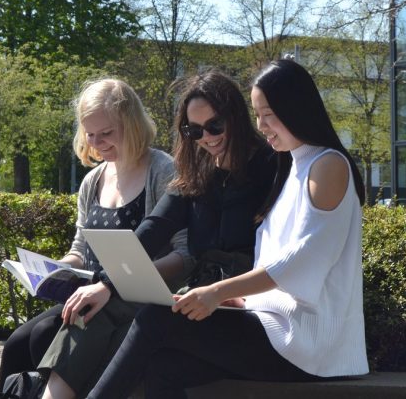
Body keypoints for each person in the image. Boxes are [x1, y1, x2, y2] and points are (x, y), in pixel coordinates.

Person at [83, 58, 369, 399]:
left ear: (295, 109)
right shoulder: (292, 165)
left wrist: (217, 291)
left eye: (268, 115)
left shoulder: (326, 165)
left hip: (308, 343)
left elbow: (303, 261)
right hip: (275, 327)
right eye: (258, 115)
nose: (261, 126)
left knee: (156, 318)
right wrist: (240, 299)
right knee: (163, 365)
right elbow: (159, 225)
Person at [36, 70, 278, 399]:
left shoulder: (271, 164)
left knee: (149, 325)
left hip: (247, 303)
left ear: (235, 115)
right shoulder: (198, 168)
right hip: (201, 299)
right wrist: (108, 283)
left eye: (214, 126)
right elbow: (153, 227)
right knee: (145, 355)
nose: (206, 138)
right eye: (193, 130)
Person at [0, 78, 188, 396]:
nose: (96, 143)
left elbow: (184, 254)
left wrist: (123, 280)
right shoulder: (93, 180)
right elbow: (80, 249)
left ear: (132, 124)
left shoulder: (163, 171)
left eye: (106, 133)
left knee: (44, 333)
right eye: (90, 134)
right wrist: (57, 269)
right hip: (91, 293)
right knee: (17, 343)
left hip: (134, 299)